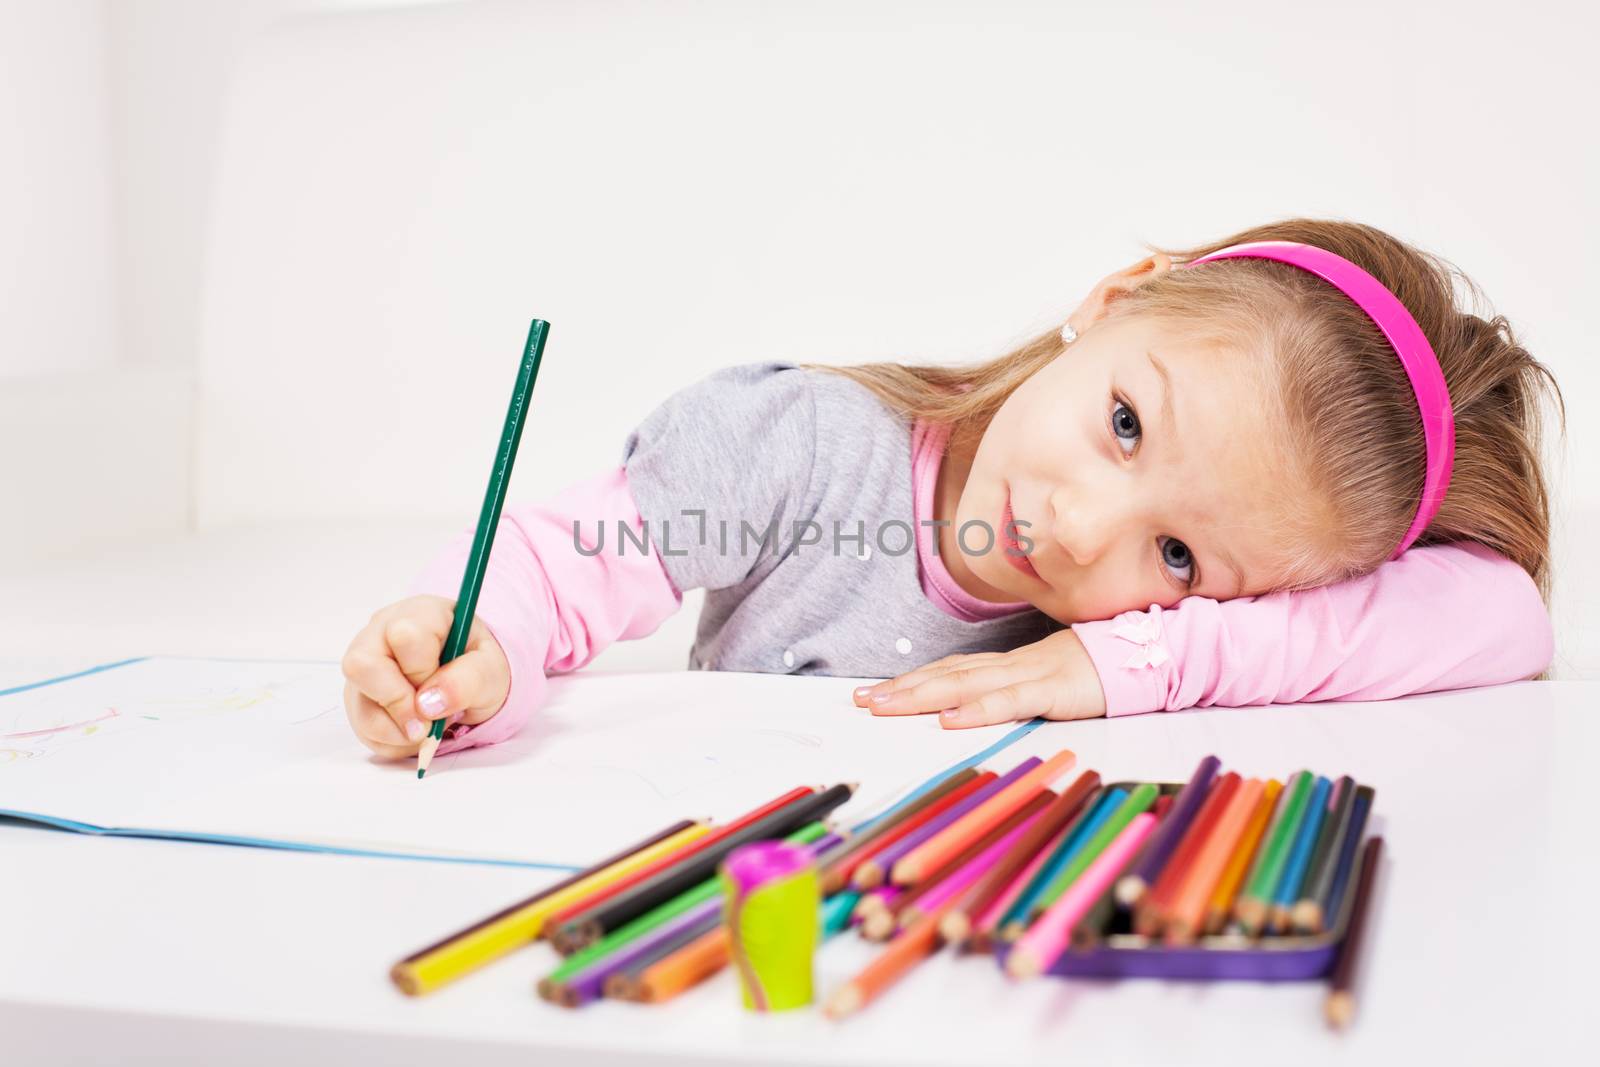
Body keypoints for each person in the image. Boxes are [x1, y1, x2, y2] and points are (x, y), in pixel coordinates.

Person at [340, 218, 1558, 760]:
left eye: (1179, 558)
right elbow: (568, 561)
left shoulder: (1137, 634)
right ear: (1114, 299)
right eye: (1124, 423)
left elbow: (1502, 613)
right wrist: (482, 642)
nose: (1084, 530)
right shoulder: (799, 447)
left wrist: (1133, 663)